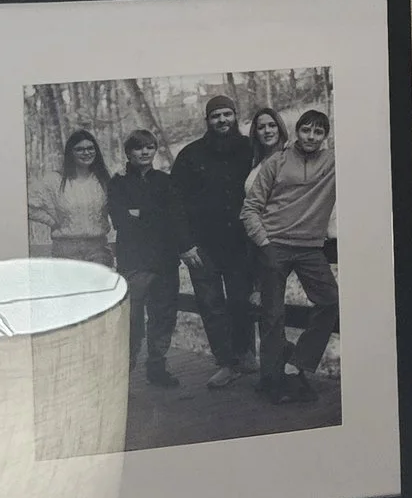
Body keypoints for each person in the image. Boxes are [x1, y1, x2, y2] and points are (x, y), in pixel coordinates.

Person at [240, 107, 341, 406]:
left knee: (330, 301)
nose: (311, 136)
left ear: (325, 136)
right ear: (296, 131)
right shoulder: (277, 162)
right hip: (275, 245)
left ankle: (297, 363)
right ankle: (272, 381)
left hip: (311, 248)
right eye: (306, 130)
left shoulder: (335, 161)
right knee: (272, 316)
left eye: (319, 131)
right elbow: (249, 210)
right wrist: (266, 245)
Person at [171, 94, 262, 388]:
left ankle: (246, 355)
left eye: (227, 114)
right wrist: (185, 244)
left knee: (240, 301)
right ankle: (226, 363)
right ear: (207, 121)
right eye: (215, 116)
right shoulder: (190, 155)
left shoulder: (250, 149)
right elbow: (175, 204)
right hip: (202, 246)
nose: (222, 120)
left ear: (235, 116)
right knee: (210, 305)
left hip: (239, 243)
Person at [107, 131, 187, 387]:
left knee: (163, 316)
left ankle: (157, 367)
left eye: (150, 147)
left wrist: (140, 213)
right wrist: (154, 215)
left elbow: (174, 216)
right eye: (138, 148)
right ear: (128, 153)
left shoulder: (165, 181)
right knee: (131, 319)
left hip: (164, 260)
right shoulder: (118, 184)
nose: (145, 153)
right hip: (134, 261)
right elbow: (121, 220)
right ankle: (124, 370)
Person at [30, 129, 113, 267]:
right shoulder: (54, 180)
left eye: (90, 148)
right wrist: (51, 221)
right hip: (66, 252)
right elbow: (26, 205)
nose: (86, 153)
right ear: (70, 153)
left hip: (99, 251)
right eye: (80, 149)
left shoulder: (103, 179)